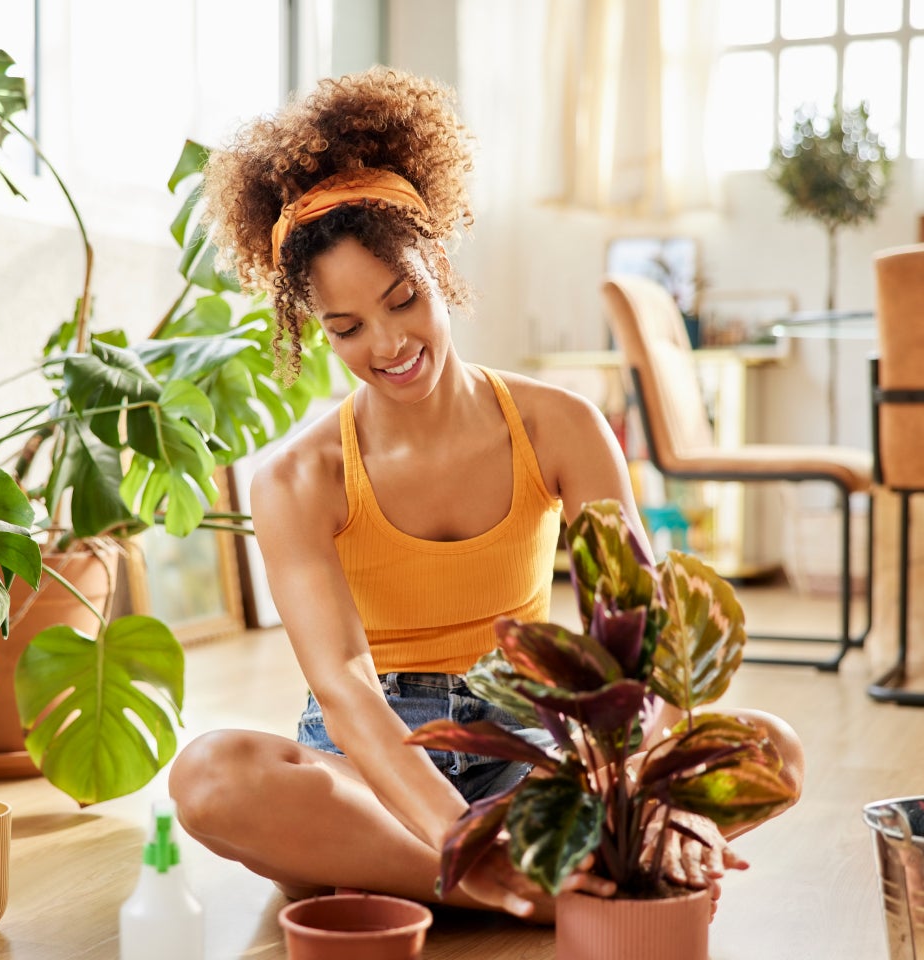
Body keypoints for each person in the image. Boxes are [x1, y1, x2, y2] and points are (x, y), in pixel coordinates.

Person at [168, 66, 803, 923]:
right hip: (372, 768)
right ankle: (531, 885)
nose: (389, 344)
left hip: (531, 743)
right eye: (346, 328)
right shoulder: (296, 478)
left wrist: (643, 784)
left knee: (771, 749)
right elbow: (349, 691)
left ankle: (419, 879)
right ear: (312, 326)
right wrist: (461, 834)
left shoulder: (561, 426)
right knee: (211, 775)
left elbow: (641, 638)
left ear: (438, 261)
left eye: (404, 299)